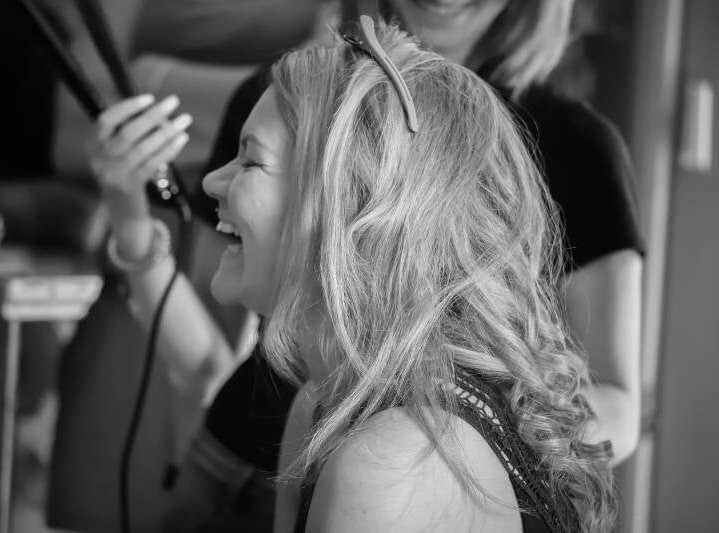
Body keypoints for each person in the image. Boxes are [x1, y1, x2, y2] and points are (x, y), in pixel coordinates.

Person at [75, 0, 643, 530]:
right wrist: (127, 208)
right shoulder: (315, 406)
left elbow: (612, 397)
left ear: (360, 202)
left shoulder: (391, 462)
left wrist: (472, 442)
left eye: (252, 162)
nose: (209, 182)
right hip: (273, 441)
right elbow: (210, 355)